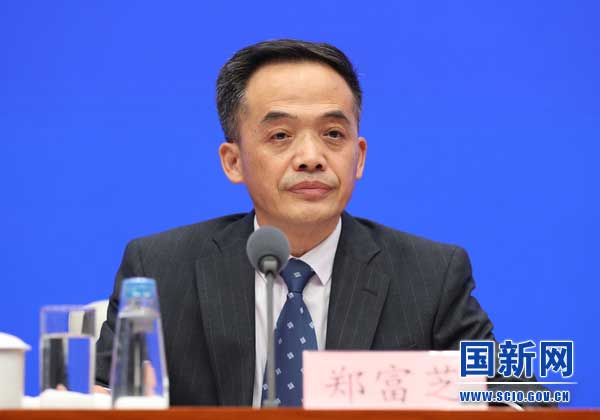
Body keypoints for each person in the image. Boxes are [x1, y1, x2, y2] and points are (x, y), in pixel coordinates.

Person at [95, 39, 546, 407]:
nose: (311, 158)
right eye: (280, 135)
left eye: (333, 134)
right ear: (233, 161)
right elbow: (94, 398)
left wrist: (423, 388)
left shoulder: (430, 275)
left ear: (359, 157)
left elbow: (522, 398)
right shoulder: (160, 268)